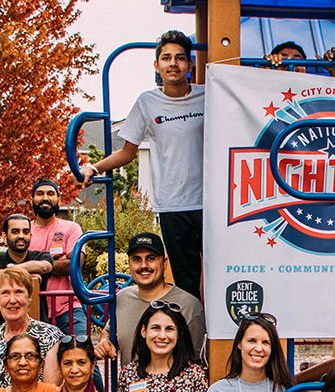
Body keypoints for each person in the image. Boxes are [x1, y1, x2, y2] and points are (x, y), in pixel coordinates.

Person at [79, 30, 204, 293]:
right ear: (157, 65)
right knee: (187, 280)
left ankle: (226, 334)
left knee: (222, 273)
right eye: (166, 58)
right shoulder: (147, 102)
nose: (173, 64)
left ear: (190, 64)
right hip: (173, 203)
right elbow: (127, 152)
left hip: (212, 202)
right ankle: (193, 334)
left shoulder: (208, 95)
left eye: (180, 58)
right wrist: (94, 167)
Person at [96, 232, 206, 362]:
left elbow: (200, 361)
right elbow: (108, 331)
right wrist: (104, 340)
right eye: (137, 259)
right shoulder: (122, 298)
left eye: (151, 258)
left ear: (164, 263)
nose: (143, 266)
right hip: (130, 382)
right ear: (129, 264)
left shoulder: (189, 306)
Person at [0, 268, 63, 390]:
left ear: (29, 297)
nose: (12, 300)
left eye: (18, 292)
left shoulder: (50, 336)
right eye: (5, 293)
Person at [22, 180, 88, 334]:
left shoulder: (71, 228)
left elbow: (73, 265)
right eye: (40, 194)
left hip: (68, 309)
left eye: (50, 194)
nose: (45, 198)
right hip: (31, 312)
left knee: (81, 352)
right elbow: (16, 267)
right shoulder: (24, 231)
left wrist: (33, 266)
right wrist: (56, 261)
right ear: (32, 200)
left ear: (59, 200)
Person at [0, 213, 55, 306]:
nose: (21, 236)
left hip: (38, 319)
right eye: (15, 232)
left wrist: (7, 272)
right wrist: (26, 275)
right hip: (6, 319)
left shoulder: (40, 257)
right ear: (4, 236)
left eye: (25, 232)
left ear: (31, 236)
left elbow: (45, 267)